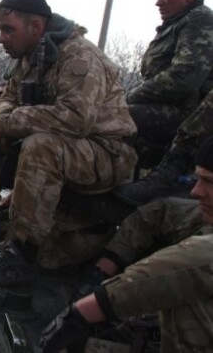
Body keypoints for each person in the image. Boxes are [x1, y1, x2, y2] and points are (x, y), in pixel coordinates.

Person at [0, 0, 137, 286]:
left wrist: (9, 124)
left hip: (107, 152)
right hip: (69, 145)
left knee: (41, 147)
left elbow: (76, 118)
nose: (1, 38)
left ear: (36, 27)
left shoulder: (78, 56)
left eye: (8, 29)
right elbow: (10, 97)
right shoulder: (29, 57)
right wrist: (3, 121)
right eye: (0, 29)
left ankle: (22, 255)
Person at [40, 135, 213, 353]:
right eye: (198, 179)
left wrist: (86, 311)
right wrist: (104, 268)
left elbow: (191, 263)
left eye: (210, 182)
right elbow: (155, 215)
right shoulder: (198, 215)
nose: (196, 192)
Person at [127, 0, 213, 168]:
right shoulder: (174, 25)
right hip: (172, 108)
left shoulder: (199, 19)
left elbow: (186, 76)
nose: (158, 2)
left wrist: (128, 97)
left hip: (194, 118)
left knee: (117, 115)